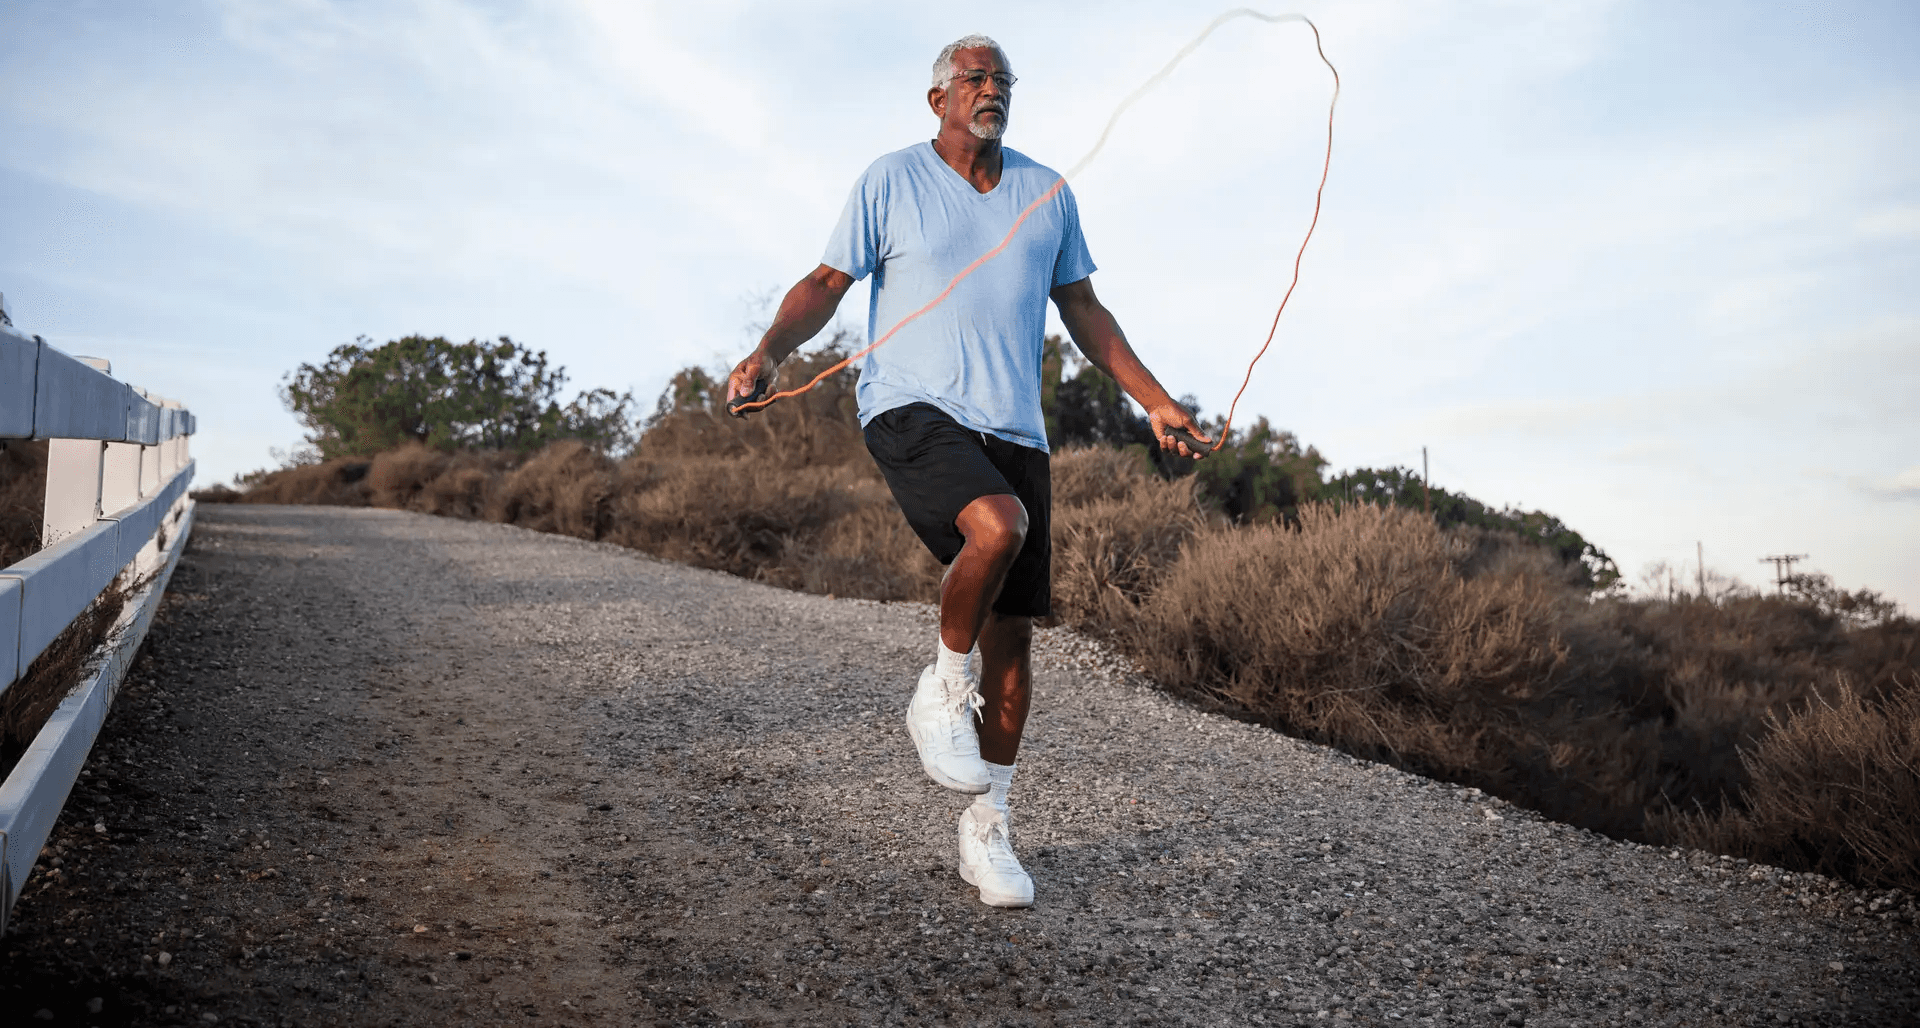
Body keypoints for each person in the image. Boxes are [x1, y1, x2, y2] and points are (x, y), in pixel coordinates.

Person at [726, 33, 1208, 909]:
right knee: (997, 523)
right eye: (975, 78)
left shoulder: (1047, 192)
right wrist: (768, 352)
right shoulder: (893, 179)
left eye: (1003, 79)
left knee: (1013, 641)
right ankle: (941, 689)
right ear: (939, 98)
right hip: (911, 406)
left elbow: (1082, 307)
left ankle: (988, 830)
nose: (992, 90)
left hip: (1016, 427)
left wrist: (1155, 400)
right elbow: (828, 281)